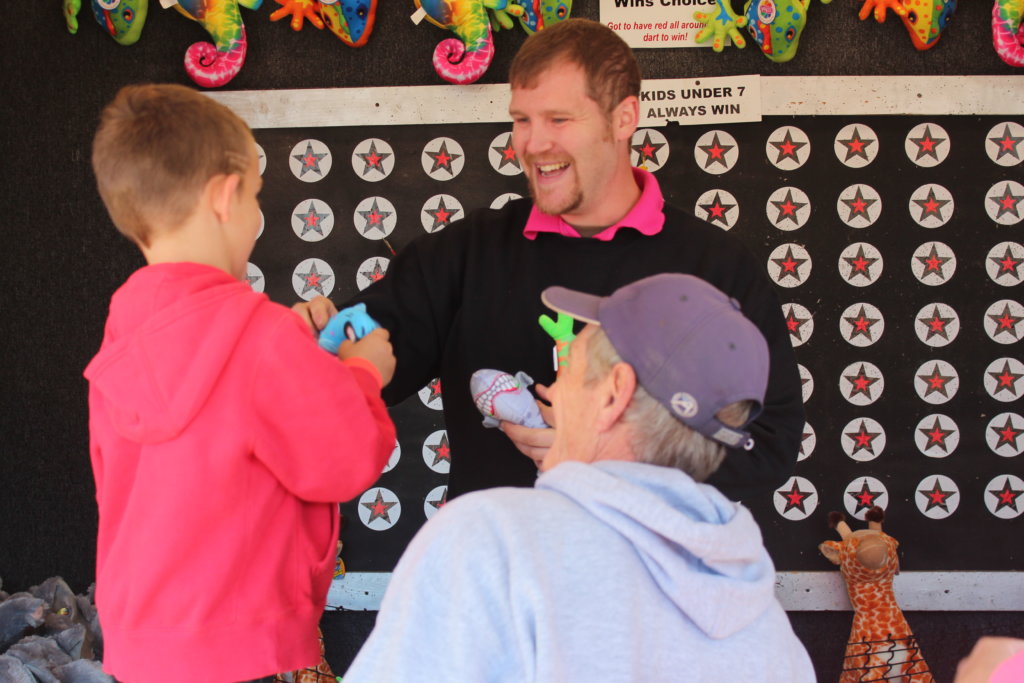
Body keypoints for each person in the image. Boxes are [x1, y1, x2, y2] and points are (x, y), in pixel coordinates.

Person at [297, 18, 803, 502]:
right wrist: (308, 347)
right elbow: (357, 360)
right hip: (496, 558)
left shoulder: (716, 265)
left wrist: (608, 458)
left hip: (646, 563)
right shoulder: (467, 251)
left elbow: (769, 443)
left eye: (559, 119)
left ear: (624, 118)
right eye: (522, 120)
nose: (533, 144)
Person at [342, 273, 816, 682]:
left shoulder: (490, 540)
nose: (556, 386)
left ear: (613, 394)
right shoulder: (771, 632)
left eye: (570, 362)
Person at [84, 83, 397, 683]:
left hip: (141, 649)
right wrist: (362, 372)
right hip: (244, 650)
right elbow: (347, 458)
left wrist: (298, 351)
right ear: (225, 197)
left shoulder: (122, 330)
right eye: (256, 195)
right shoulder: (262, 335)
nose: (257, 214)